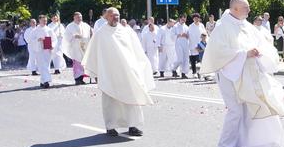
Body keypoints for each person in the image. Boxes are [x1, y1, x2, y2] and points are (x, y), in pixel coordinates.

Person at [200, 0, 284, 147]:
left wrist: (259, 51)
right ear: (235, 9)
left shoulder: (246, 25)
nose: (249, 10)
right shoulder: (222, 27)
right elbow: (219, 52)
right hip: (229, 74)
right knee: (235, 111)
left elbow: (262, 42)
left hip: (247, 73)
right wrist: (244, 53)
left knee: (247, 111)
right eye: (245, 8)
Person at [82, 7, 155, 137]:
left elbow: (136, 50)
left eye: (117, 15)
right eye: (112, 16)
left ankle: (132, 126)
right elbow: (93, 53)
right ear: (106, 17)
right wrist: (98, 73)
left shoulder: (126, 31)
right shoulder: (100, 33)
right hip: (109, 73)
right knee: (111, 102)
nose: (116, 18)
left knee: (131, 98)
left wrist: (140, 65)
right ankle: (110, 127)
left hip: (127, 72)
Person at [63, 12, 93, 85]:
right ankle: (77, 79)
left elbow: (90, 34)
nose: (79, 18)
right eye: (77, 17)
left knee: (83, 63)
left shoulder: (85, 25)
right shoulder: (70, 26)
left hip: (84, 46)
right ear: (74, 18)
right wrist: (73, 36)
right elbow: (66, 37)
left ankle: (81, 78)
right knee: (77, 63)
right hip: (75, 47)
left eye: (80, 17)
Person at [30, 15, 57, 88]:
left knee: (46, 65)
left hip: (47, 50)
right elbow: (31, 40)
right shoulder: (35, 30)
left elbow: (54, 39)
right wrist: (38, 40)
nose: (45, 22)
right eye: (43, 20)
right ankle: (46, 81)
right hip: (39, 50)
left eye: (45, 21)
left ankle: (42, 81)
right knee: (42, 65)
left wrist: (52, 45)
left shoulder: (49, 29)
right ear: (39, 21)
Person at [187, 13, 207, 78]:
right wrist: (193, 46)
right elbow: (189, 36)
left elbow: (205, 34)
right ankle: (194, 72)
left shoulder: (201, 25)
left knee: (201, 60)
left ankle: (200, 73)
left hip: (201, 45)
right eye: (195, 18)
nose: (196, 19)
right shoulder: (190, 26)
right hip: (193, 45)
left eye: (197, 18)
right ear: (193, 19)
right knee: (193, 59)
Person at [172, 14, 190, 79]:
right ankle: (173, 69)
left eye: (184, 19)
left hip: (185, 44)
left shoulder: (187, 27)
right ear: (179, 19)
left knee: (185, 59)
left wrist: (186, 36)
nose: (183, 20)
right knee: (180, 59)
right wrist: (178, 35)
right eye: (182, 19)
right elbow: (172, 36)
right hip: (178, 44)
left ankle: (183, 73)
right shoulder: (175, 26)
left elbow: (189, 36)